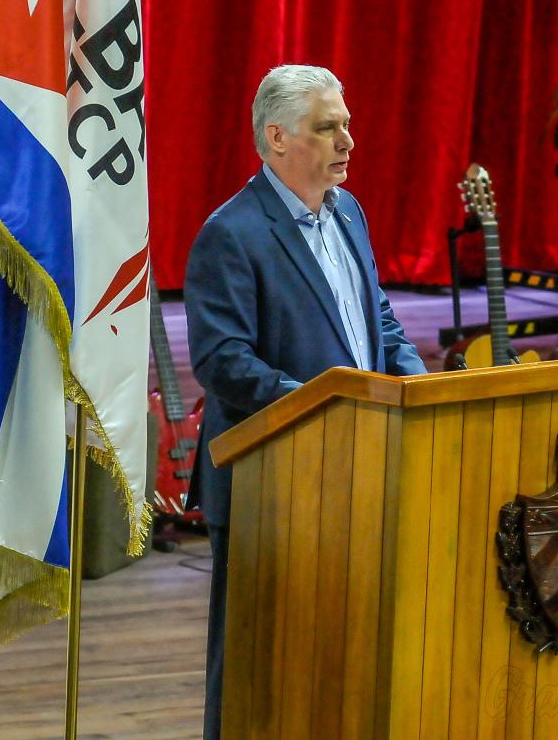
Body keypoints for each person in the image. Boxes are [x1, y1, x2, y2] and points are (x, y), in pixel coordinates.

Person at [184, 64, 427, 740]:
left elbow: (377, 320)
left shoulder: (348, 212)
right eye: (329, 127)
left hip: (356, 463)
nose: (348, 139)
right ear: (278, 138)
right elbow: (224, 363)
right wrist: (327, 409)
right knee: (249, 658)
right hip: (270, 478)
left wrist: (412, 385)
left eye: (345, 124)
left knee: (335, 648)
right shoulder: (231, 234)